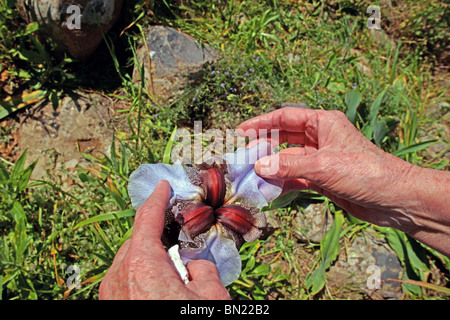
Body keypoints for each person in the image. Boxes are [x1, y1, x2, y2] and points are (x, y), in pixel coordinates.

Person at [99, 107, 450, 300]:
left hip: (220, 221)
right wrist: (407, 196)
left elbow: (258, 160)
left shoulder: (237, 190)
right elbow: (150, 184)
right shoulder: (204, 191)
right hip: (207, 217)